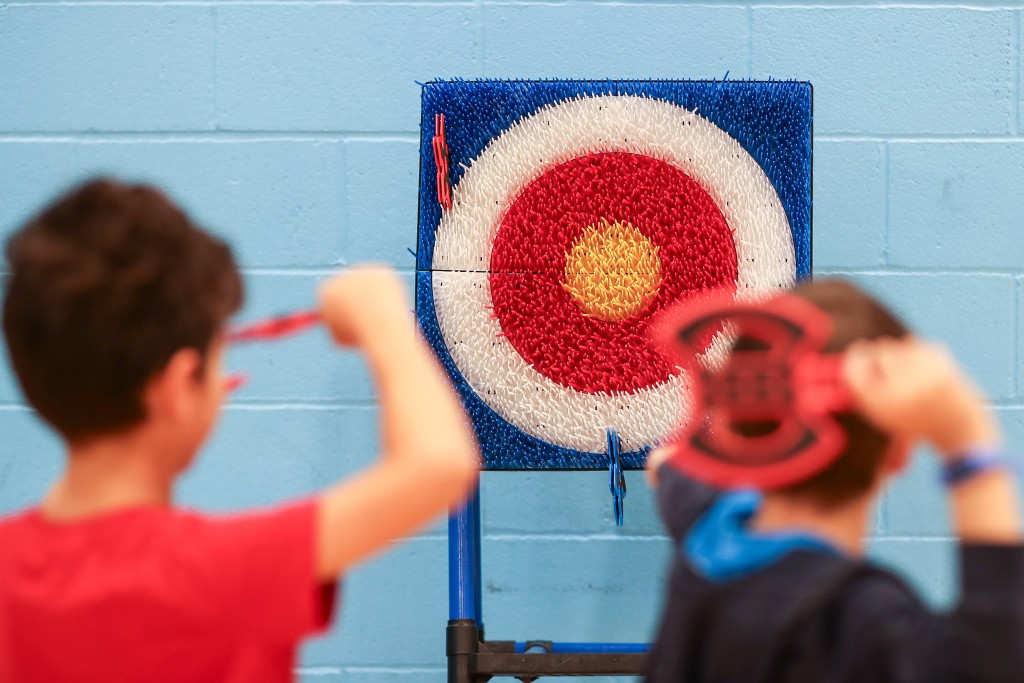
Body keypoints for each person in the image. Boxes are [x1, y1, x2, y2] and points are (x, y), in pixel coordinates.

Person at [0, 179, 479, 683]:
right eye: (217, 358)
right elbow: (441, 464)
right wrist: (383, 320)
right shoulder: (223, 570)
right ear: (180, 385)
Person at [645, 279, 1024, 683]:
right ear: (899, 451)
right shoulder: (858, 620)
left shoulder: (706, 532)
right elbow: (994, 664)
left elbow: (664, 465)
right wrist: (966, 435)